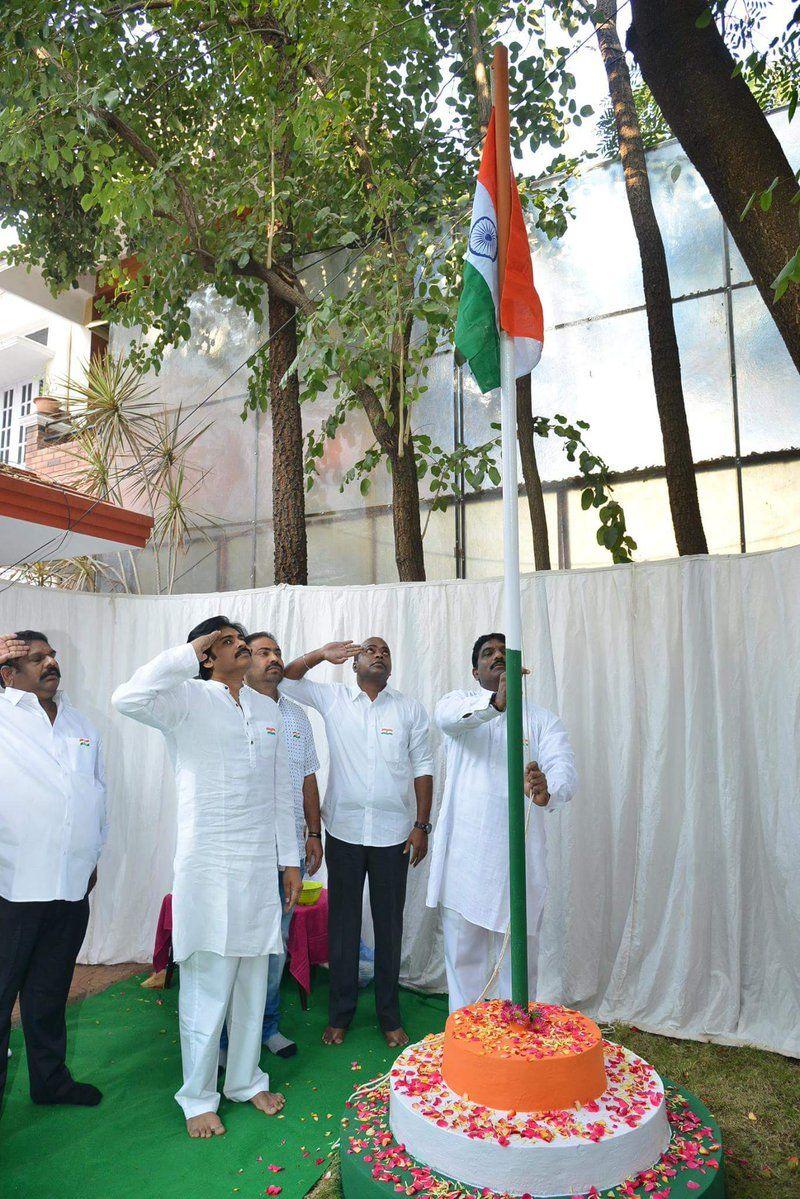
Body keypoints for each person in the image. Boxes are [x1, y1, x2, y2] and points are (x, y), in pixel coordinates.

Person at [112, 617, 302, 1138]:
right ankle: (197, 1097)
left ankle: (244, 1080)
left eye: (241, 639)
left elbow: (280, 790)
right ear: (206, 656)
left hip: (258, 864)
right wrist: (188, 651)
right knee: (208, 983)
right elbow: (126, 698)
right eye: (226, 642)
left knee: (252, 980)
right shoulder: (184, 700)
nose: (241, 646)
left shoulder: (266, 709)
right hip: (209, 864)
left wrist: (288, 861)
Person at [281, 638, 433, 1048]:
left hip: (393, 836)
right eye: (369, 649)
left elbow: (423, 766)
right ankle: (340, 1015)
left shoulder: (409, 709)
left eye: (385, 650)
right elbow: (287, 680)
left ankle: (389, 1016)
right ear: (353, 663)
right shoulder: (333, 699)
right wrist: (319, 655)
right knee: (343, 927)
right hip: (344, 832)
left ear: (391, 665)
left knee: (389, 927)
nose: (379, 654)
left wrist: (421, 824)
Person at [426, 633, 577, 1012]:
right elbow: (446, 719)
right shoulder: (459, 705)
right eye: (487, 653)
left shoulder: (541, 720)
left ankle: (516, 1035)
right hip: (464, 860)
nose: (496, 657)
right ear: (475, 672)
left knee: (518, 965)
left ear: (519, 668)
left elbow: (564, 768)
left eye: (503, 652)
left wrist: (547, 789)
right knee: (464, 960)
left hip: (518, 862)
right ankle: (465, 1034)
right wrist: (496, 704)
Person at [0, 630, 106, 1114]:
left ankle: (50, 1083)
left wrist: (92, 854)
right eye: (37, 658)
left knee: (48, 993)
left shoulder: (79, 722)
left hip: (69, 885)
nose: (50, 663)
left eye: (52, 655)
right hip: (13, 886)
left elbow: (96, 792)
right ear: (9, 673)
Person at [225, 630, 323, 1061]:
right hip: (245, 847)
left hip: (290, 851)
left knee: (276, 945)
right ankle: (225, 1039)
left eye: (277, 652)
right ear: (244, 660)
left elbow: (308, 777)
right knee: (237, 944)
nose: (274, 659)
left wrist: (314, 833)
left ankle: (267, 1027)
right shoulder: (232, 708)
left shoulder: (297, 716)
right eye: (263, 652)